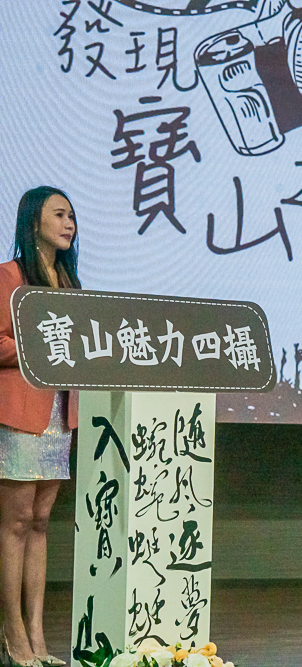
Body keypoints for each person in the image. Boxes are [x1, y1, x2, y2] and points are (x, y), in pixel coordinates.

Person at [0, 186, 82, 667]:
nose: (69, 223)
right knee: (14, 523)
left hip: (59, 415)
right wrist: (39, 346)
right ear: (34, 222)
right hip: (19, 413)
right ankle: (12, 633)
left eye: (72, 216)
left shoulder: (69, 282)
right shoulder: (8, 277)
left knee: (40, 522)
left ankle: (36, 633)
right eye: (59, 214)